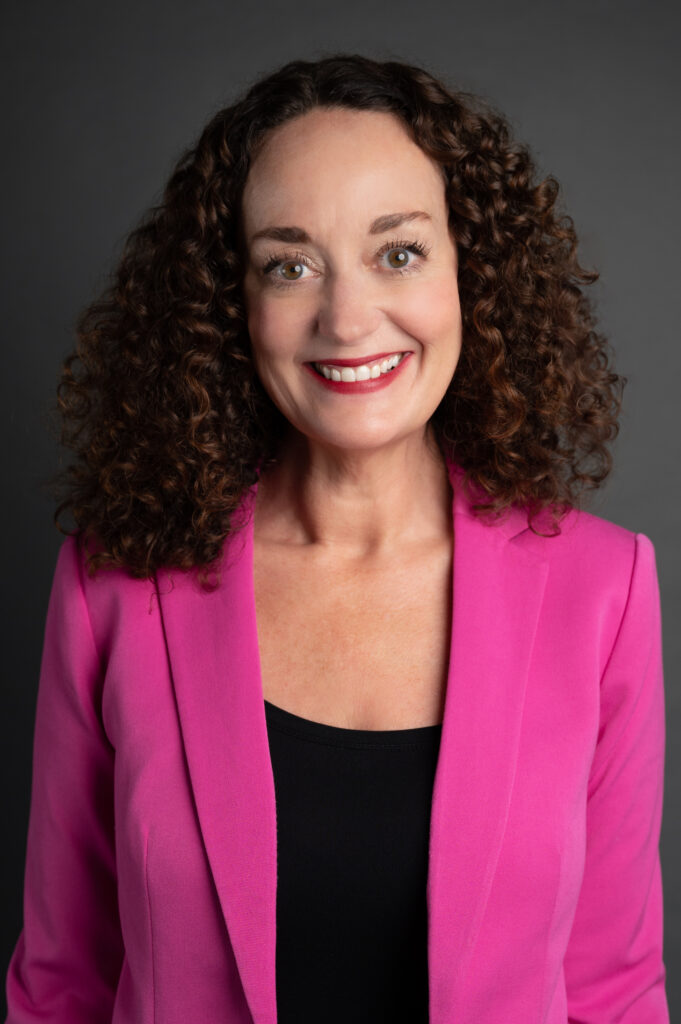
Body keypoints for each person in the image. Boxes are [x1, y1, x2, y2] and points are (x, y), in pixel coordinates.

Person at [4, 53, 669, 1024]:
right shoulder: (115, 586)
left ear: (466, 272)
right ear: (235, 305)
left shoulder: (605, 588)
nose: (348, 319)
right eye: (291, 264)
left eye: (397, 251)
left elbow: (613, 992)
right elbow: (59, 985)